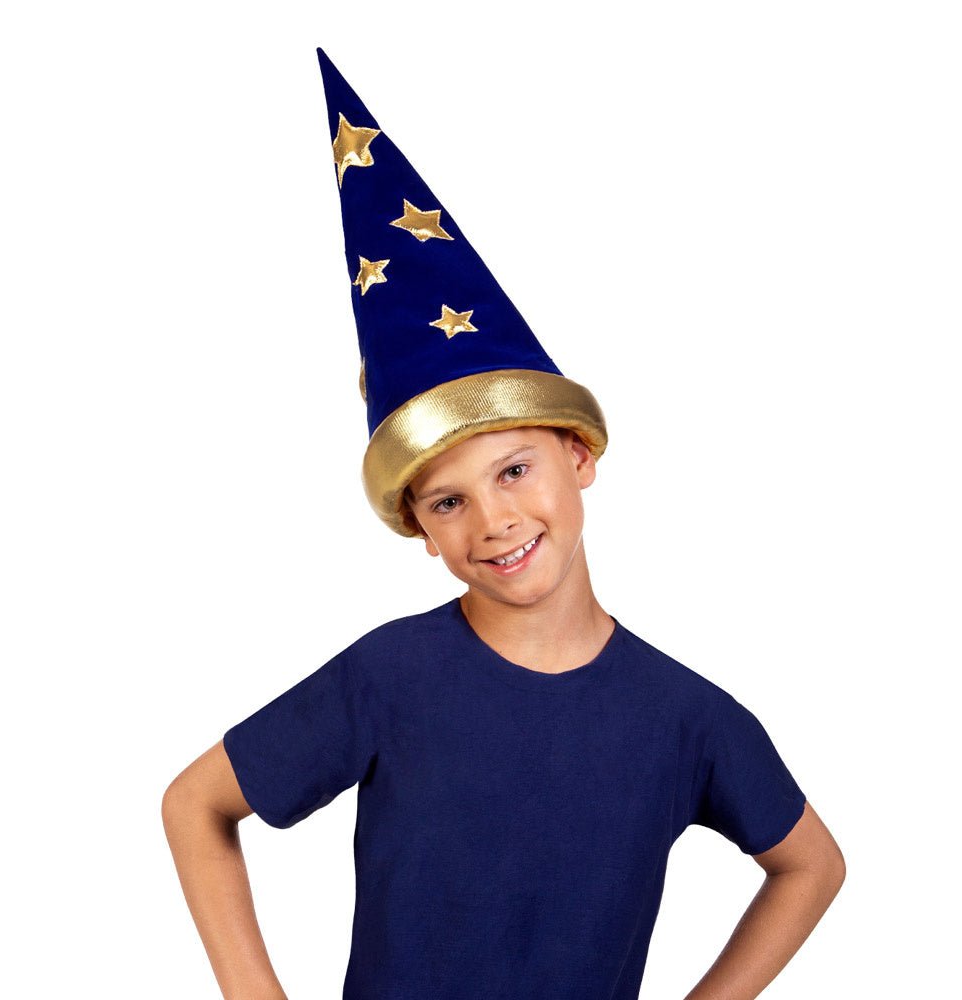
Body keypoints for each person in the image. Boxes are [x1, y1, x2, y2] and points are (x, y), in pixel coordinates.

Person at [162, 48, 845, 1000]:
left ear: (579, 455)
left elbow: (812, 866)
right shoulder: (389, 677)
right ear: (420, 529)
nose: (493, 520)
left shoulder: (685, 719)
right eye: (448, 501)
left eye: (514, 470)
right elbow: (196, 803)